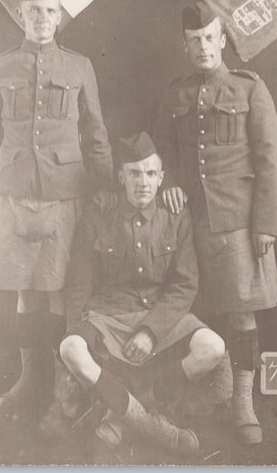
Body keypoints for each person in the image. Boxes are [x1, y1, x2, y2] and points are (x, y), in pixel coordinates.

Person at [0, 0, 113, 420]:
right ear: (20, 15)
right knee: (23, 290)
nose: (42, 20)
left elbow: (95, 133)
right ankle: (28, 378)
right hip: (12, 193)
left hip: (63, 194)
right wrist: (18, 159)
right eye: (34, 12)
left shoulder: (79, 66)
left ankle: (57, 384)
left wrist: (106, 185)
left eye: (50, 11)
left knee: (55, 291)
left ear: (60, 16)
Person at [153, 2, 277, 444]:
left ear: (223, 41)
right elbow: (163, 151)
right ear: (185, 45)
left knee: (241, 311)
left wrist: (265, 222)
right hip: (189, 221)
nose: (203, 46)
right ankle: (211, 391)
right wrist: (168, 180)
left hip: (237, 222)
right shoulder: (176, 93)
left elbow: (270, 160)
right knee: (188, 308)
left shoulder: (250, 89)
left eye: (210, 37)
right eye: (195, 40)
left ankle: (243, 403)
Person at [60, 131, 225, 454]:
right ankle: (152, 427)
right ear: (120, 177)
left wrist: (151, 331)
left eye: (151, 173)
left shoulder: (176, 216)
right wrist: (76, 331)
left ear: (162, 177)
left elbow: (185, 284)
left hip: (160, 315)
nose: (143, 182)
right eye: (134, 173)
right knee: (70, 348)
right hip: (109, 315)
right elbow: (79, 282)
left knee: (213, 347)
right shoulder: (98, 213)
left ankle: (123, 417)